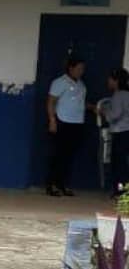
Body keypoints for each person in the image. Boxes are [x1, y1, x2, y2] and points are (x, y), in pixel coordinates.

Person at [46, 55, 96, 197]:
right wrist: (52, 120)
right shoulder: (60, 82)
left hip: (77, 123)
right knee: (57, 155)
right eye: (79, 68)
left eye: (83, 69)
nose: (81, 71)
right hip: (62, 122)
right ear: (71, 68)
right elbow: (51, 101)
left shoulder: (81, 85)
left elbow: (80, 103)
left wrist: (93, 107)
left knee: (69, 156)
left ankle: (62, 184)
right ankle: (51, 185)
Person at [102, 67, 129, 198]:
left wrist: (103, 111)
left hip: (121, 132)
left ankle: (121, 192)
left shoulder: (119, 95)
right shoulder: (127, 94)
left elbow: (115, 115)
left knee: (118, 165)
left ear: (116, 81)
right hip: (126, 132)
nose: (108, 81)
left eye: (110, 79)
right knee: (123, 163)